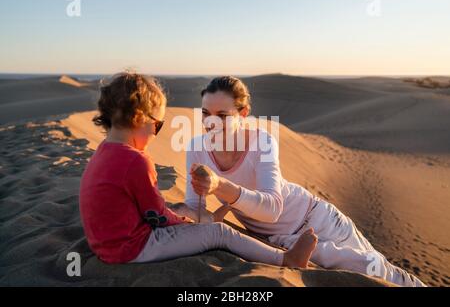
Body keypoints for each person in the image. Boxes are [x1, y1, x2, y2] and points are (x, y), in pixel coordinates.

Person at [185, 76, 426, 287]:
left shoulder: (262, 141)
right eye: (205, 114)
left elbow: (272, 209)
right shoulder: (196, 148)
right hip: (283, 242)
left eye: (222, 116)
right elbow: (194, 208)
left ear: (244, 114)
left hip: (319, 221)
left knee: (384, 272)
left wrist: (221, 187)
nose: (210, 123)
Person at [79, 72, 318, 268]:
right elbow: (157, 216)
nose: (154, 133)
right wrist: (190, 224)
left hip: (104, 246)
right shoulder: (135, 161)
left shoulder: (102, 152)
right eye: (157, 125)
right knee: (219, 233)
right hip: (134, 247)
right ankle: (287, 259)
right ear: (140, 118)